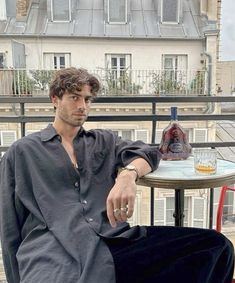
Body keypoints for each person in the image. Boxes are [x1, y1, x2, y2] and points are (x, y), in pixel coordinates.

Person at [0, 67, 233, 283]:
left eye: (87, 99)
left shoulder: (104, 141)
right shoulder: (22, 151)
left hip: (116, 241)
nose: (82, 105)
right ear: (54, 100)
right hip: (52, 250)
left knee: (217, 246)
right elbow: (9, 225)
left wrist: (127, 176)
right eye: (74, 97)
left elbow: (148, 153)